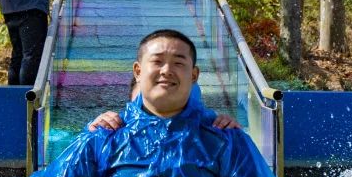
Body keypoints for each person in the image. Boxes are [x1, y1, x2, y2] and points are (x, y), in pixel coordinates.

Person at [17, 29, 297, 177]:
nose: (167, 70)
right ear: (138, 71)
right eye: (158, 61)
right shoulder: (106, 133)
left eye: (178, 63)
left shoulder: (224, 137)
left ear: (194, 75)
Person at [87, 76, 241, 131]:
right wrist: (90, 134)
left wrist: (235, 138)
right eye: (146, 100)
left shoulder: (219, 137)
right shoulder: (109, 134)